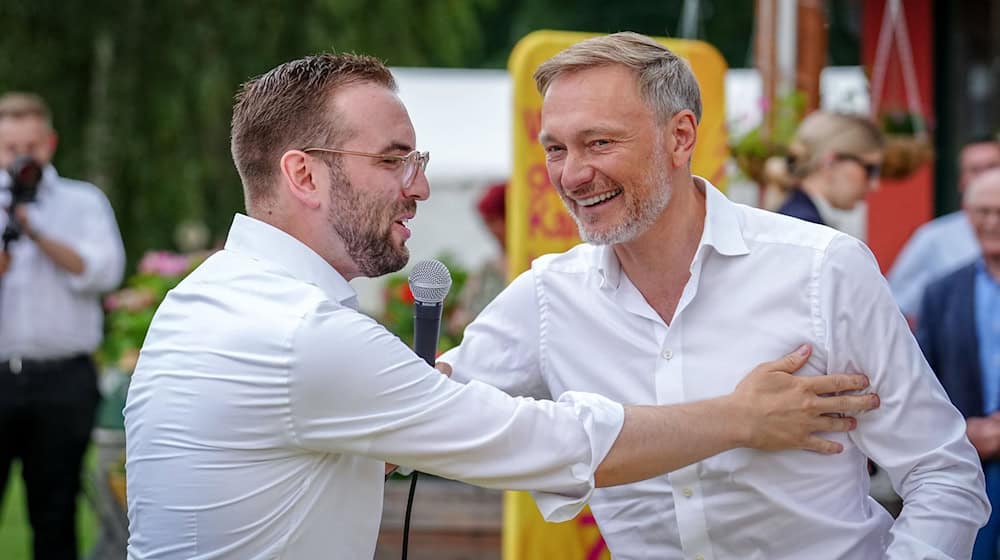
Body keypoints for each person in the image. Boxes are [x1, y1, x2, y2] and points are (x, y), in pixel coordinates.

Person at [122, 52, 881, 559]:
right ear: (304, 175)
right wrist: (742, 417)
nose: (418, 185)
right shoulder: (301, 334)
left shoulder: (207, 300)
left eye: (416, 161)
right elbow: (545, 441)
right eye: (393, 160)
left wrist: (426, 394)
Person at [441, 32, 988, 559]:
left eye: (600, 142)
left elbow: (942, 472)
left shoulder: (823, 268)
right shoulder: (547, 296)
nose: (573, 174)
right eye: (556, 148)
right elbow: (423, 412)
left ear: (680, 137)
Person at [0, 92, 126, 559]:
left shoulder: (82, 202)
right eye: (10, 149)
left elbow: (103, 273)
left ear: (49, 144)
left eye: (30, 147)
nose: (21, 158)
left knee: (55, 516)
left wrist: (35, 232)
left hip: (63, 379)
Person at [917, 167, 1000, 560]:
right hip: (968, 462)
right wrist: (962, 430)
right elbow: (923, 377)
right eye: (981, 211)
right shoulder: (942, 292)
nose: (990, 222)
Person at [890, 136, 1000, 323]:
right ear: (961, 180)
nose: (991, 223)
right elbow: (897, 300)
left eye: (992, 167)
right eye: (974, 170)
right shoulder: (934, 238)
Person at [773, 110, 884, 228]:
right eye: (870, 169)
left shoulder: (797, 217)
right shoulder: (808, 227)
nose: (874, 185)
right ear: (830, 162)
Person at [449, 181, 508, 332]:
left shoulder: (532, 264)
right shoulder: (487, 269)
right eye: (486, 223)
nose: (490, 230)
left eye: (493, 221)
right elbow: (460, 316)